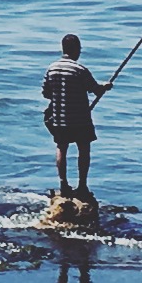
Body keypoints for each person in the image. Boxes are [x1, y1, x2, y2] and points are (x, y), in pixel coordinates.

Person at [42, 34, 107, 197]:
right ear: (77, 50)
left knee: (61, 148)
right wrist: (105, 87)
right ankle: (82, 185)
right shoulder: (80, 70)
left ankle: (63, 184)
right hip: (80, 119)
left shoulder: (52, 68)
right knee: (83, 149)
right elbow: (95, 89)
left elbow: (46, 93)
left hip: (59, 118)